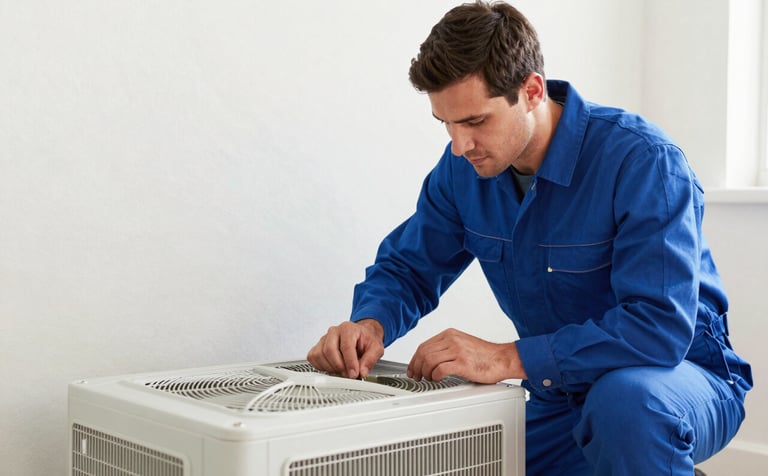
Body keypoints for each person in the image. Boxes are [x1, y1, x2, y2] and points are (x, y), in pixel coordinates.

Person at [307, 2, 752, 474]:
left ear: (532, 91)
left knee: (625, 405)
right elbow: (409, 266)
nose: (459, 145)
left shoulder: (643, 160)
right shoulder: (462, 171)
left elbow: (658, 328)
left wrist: (505, 357)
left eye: (475, 121)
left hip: (678, 380)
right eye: (446, 124)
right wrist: (370, 325)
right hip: (561, 394)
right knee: (451, 457)